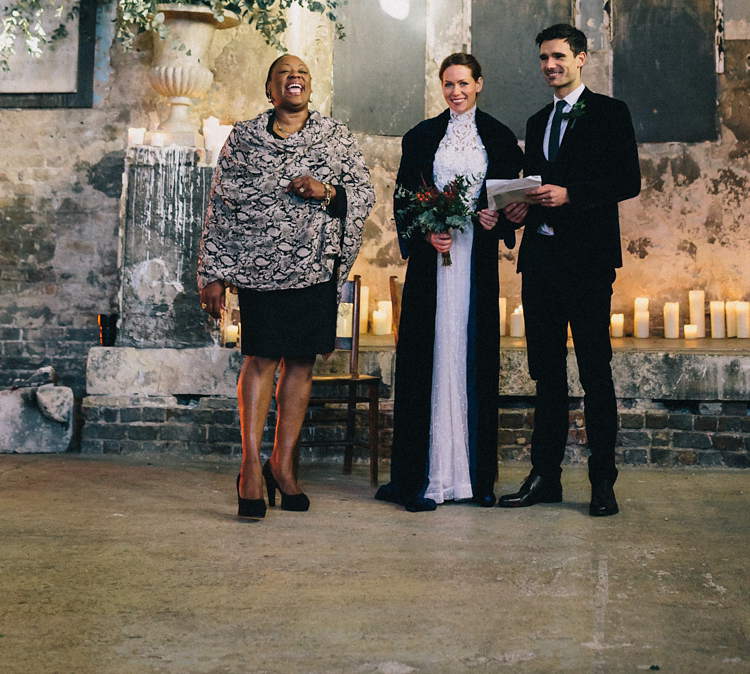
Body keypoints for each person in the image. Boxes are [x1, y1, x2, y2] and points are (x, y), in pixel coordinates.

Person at [197, 54, 374, 519]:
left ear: (309, 87)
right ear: (269, 89)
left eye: (302, 73)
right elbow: (221, 206)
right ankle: (250, 467)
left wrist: (327, 191)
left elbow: (363, 193)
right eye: (283, 73)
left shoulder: (334, 137)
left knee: (300, 361)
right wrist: (213, 272)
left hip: (315, 267)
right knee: (261, 359)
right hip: (258, 268)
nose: (294, 78)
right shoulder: (244, 139)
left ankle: (282, 465)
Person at [499, 24, 641, 517]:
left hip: (587, 263)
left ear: (581, 58)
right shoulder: (537, 121)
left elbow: (629, 180)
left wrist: (571, 194)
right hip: (539, 263)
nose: (550, 65)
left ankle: (603, 482)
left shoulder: (609, 112)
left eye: (559, 56)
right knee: (547, 376)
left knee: (595, 372)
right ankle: (546, 477)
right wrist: (521, 206)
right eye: (543, 58)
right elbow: (540, 185)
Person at [376, 53, 523, 512]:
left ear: (479, 83)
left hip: (475, 261)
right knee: (429, 355)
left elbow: (510, 202)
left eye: (463, 83)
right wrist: (426, 230)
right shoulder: (420, 137)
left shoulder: (499, 137)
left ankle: (473, 479)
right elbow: (403, 200)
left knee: (471, 354)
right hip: (432, 264)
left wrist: (493, 217)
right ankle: (423, 478)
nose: (455, 92)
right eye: (447, 84)